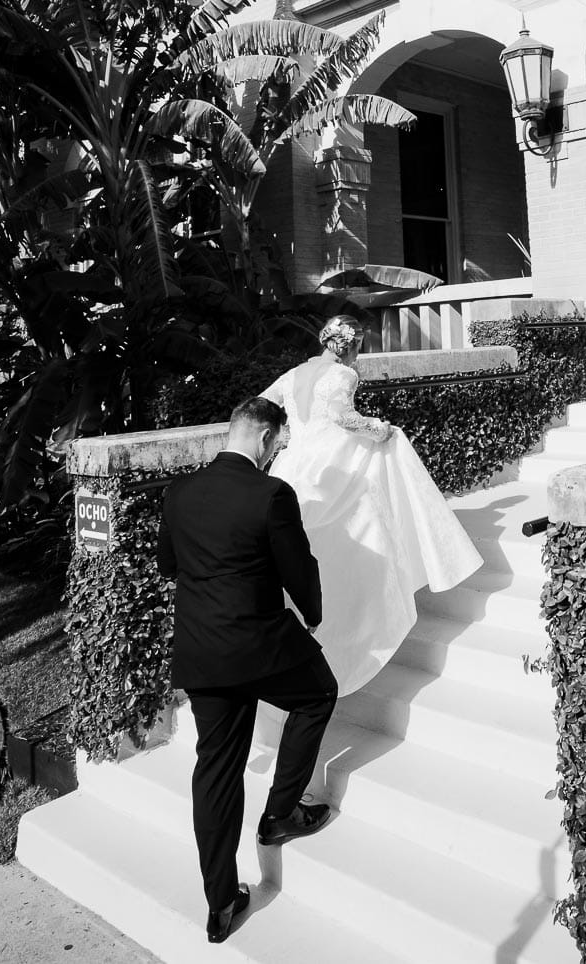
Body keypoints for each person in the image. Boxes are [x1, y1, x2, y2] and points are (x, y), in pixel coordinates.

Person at [157, 396, 339, 945]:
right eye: (278, 443)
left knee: (215, 771)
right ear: (262, 437)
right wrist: (313, 613)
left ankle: (219, 906)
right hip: (261, 646)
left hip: (201, 653)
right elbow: (297, 567)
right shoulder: (272, 494)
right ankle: (280, 812)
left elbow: (170, 564)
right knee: (318, 693)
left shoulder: (180, 492)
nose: (278, 452)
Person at [260, 316, 483, 697]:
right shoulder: (343, 375)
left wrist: (288, 437)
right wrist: (382, 429)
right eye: (358, 345)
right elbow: (344, 418)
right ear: (345, 345)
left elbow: (264, 403)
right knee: (388, 453)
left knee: (307, 540)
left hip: (295, 464)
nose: (359, 353)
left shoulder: (295, 373)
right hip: (335, 459)